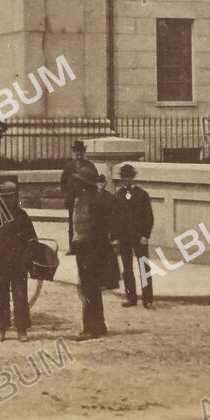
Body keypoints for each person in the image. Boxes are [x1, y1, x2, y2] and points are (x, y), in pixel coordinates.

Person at [69, 166, 112, 341]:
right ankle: (99, 325)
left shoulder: (92, 201)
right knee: (90, 288)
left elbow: (99, 229)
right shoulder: (82, 199)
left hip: (91, 249)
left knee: (88, 288)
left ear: (84, 184)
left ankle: (91, 327)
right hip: (84, 248)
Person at [0, 185, 36, 342]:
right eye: (5, 197)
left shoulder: (23, 216)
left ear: (16, 198)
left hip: (19, 264)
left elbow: (32, 240)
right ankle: (0, 328)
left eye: (12, 197)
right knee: (1, 295)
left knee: (20, 296)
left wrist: (25, 260)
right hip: (2, 263)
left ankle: (21, 329)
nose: (9, 200)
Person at [112, 163, 155, 309]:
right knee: (127, 268)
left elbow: (149, 217)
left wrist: (145, 235)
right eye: (123, 177)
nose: (126, 179)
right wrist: (116, 237)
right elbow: (115, 218)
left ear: (133, 177)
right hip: (124, 238)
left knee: (144, 267)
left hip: (139, 237)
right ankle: (131, 298)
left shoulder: (142, 195)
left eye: (128, 176)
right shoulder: (118, 195)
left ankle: (147, 299)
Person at [59, 140, 98, 256]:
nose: (79, 153)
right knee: (72, 223)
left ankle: (86, 246)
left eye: (81, 151)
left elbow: (95, 181)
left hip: (86, 199)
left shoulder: (89, 166)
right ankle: (73, 247)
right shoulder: (69, 166)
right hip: (72, 198)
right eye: (76, 151)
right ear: (74, 151)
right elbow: (63, 181)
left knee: (86, 221)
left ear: (84, 151)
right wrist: (66, 194)